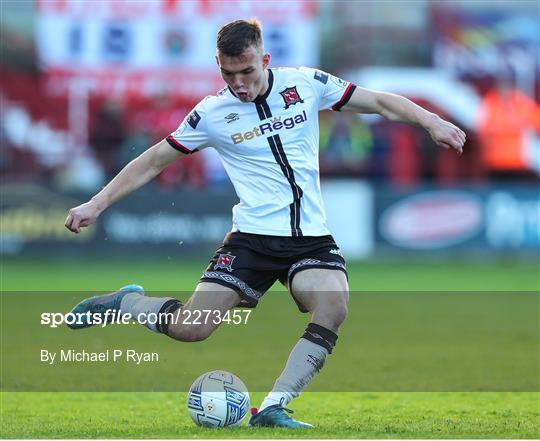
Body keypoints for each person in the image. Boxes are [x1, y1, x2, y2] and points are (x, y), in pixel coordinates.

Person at [64, 19, 465, 428]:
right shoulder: (212, 113)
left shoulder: (306, 84)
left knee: (333, 305)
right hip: (251, 240)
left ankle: (274, 406)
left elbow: (379, 102)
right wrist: (96, 204)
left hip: (309, 239)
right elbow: (152, 161)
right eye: (228, 73)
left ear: (265, 59)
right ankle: (126, 303)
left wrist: (431, 121)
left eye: (247, 72)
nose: (238, 83)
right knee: (191, 329)